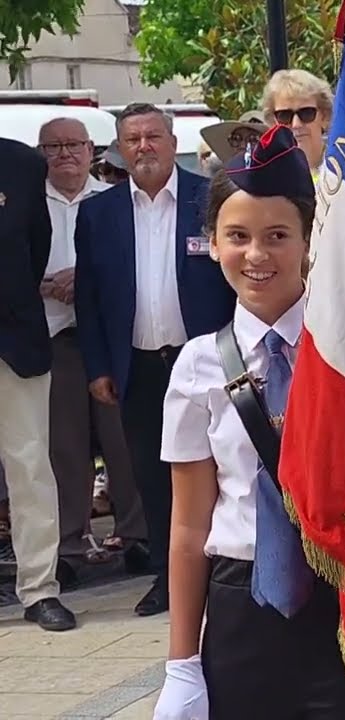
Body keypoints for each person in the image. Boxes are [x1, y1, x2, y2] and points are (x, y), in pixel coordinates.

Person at [152, 125, 345, 720]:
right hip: (242, 611)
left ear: (309, 240)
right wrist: (181, 664)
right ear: (213, 243)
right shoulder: (198, 365)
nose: (257, 255)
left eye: (277, 235)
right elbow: (189, 527)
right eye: (238, 236)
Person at [75, 103, 237, 617]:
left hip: (208, 361)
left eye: (153, 136)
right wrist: (99, 367)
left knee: (223, 468)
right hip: (139, 368)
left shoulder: (209, 198)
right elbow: (89, 299)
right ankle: (171, 580)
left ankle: (227, 575)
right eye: (133, 139)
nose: (143, 146)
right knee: (153, 476)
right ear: (119, 149)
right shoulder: (98, 214)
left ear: (172, 142)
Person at [37, 117, 142, 571]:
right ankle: (70, 546)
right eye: (53, 146)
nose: (65, 154)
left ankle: (137, 537)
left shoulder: (113, 200)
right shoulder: (28, 202)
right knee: (65, 447)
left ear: (91, 150)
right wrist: (42, 283)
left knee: (124, 440)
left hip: (110, 335)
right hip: (54, 335)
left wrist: (84, 277)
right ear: (41, 154)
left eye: (74, 145)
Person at [0, 136, 77, 631]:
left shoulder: (23, 164)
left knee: (29, 466)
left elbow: (35, 247)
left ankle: (39, 588)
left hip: (15, 336)